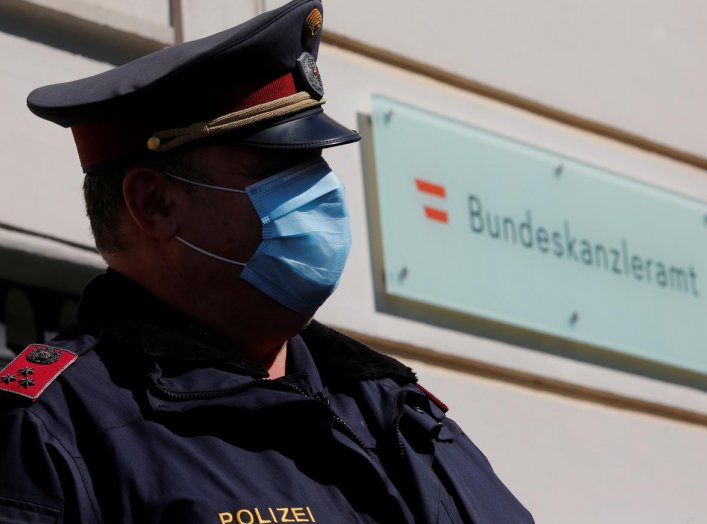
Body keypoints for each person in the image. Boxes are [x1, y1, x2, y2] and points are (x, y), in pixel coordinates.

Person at [0, 1, 534, 522]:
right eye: (280, 167)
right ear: (156, 204)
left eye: (317, 164)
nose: (323, 192)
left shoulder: (396, 408)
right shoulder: (54, 433)